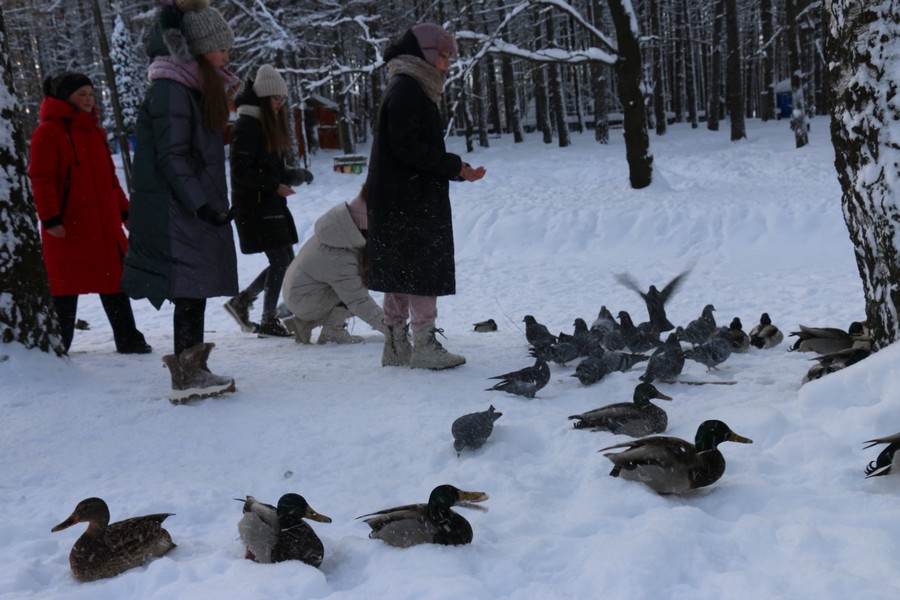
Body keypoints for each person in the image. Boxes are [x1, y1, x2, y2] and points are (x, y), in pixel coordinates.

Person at [120, 0, 240, 403]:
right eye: (221, 48)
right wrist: (199, 204)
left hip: (189, 208)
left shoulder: (190, 86)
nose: (227, 55)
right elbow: (173, 156)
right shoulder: (171, 87)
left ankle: (195, 367)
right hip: (178, 212)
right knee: (189, 287)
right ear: (199, 48)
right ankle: (186, 374)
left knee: (197, 287)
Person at [367, 23, 486, 370]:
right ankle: (423, 344)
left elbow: (410, 149)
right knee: (420, 272)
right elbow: (408, 147)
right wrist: (453, 165)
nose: (448, 64)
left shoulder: (407, 86)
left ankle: (395, 344)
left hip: (401, 198)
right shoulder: (408, 89)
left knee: (401, 272)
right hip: (410, 201)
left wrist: (455, 170)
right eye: (444, 56)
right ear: (425, 55)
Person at [28, 71, 150, 355]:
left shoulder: (95, 131)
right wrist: (50, 219)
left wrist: (125, 212)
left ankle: (128, 339)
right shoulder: (47, 133)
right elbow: (41, 179)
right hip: (69, 227)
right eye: (81, 94)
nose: (87, 99)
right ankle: (59, 346)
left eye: (91, 94)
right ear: (64, 97)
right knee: (64, 289)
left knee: (114, 282)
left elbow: (110, 179)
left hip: (104, 226)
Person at [224, 64, 313, 338]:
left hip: (268, 205)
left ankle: (244, 302)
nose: (280, 104)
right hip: (255, 207)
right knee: (281, 262)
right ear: (263, 98)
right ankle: (268, 318)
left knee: (286, 261)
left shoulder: (263, 125)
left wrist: (291, 175)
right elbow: (241, 170)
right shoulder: (247, 125)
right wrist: (274, 185)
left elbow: (267, 167)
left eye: (283, 99)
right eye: (276, 99)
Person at [281, 181, 388, 344]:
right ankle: (332, 332)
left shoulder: (338, 233)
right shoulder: (339, 256)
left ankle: (303, 324)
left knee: (353, 286)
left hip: (302, 295)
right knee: (354, 291)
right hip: (304, 300)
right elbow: (359, 301)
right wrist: (392, 329)